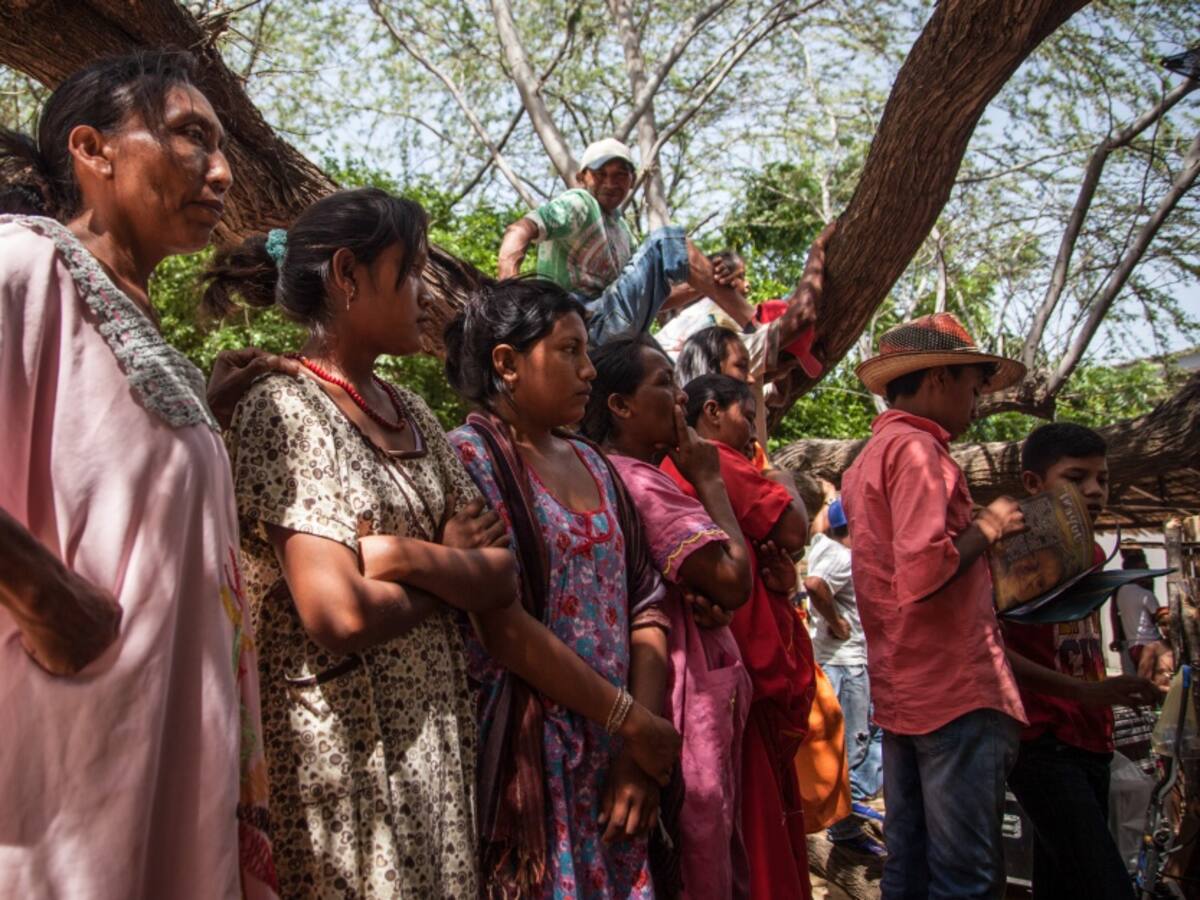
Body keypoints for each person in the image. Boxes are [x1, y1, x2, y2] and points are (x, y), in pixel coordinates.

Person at [0, 51, 278, 898]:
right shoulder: (21, 264)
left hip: (166, 759)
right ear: (93, 150)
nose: (222, 172)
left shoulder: (142, 327)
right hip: (68, 762)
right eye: (192, 136)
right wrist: (53, 601)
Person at [206, 188, 518, 897]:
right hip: (343, 768)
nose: (424, 291)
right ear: (347, 275)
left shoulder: (408, 412)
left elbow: (500, 577)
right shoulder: (283, 410)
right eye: (408, 270)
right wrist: (449, 573)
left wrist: (400, 559)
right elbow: (339, 613)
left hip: (430, 756)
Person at [443, 278, 682, 898]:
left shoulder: (596, 464)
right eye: (569, 351)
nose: (588, 372)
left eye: (587, 354)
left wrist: (641, 744)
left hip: (617, 756)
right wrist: (632, 721)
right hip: (536, 760)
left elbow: (646, 601)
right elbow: (501, 625)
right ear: (507, 364)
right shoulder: (471, 460)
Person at [840, 312, 1030, 899]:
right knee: (965, 876)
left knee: (910, 865)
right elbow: (925, 569)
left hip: (904, 693)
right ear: (940, 377)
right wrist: (990, 527)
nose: (976, 401)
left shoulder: (867, 460)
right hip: (953, 688)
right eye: (973, 387)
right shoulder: (919, 452)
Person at [581, 333, 755, 899]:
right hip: (682, 702)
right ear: (619, 405)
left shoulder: (603, 473)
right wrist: (707, 476)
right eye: (663, 383)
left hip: (672, 698)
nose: (680, 398)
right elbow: (732, 580)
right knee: (698, 859)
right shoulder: (640, 482)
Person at [664, 373, 816, 900]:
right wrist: (784, 479)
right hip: (740, 675)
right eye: (746, 415)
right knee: (754, 828)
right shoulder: (717, 463)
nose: (752, 429)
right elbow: (793, 530)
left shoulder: (670, 467)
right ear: (710, 412)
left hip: (714, 671)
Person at [1001, 423, 1161, 900]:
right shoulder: (1015, 553)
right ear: (1033, 484)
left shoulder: (1091, 550)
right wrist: (1087, 693)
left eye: (1102, 479)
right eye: (1076, 477)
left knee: (1063, 882)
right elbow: (987, 650)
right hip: (1043, 743)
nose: (1094, 491)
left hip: (1090, 739)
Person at [497, 138, 755, 344]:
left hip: (610, 324)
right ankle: (756, 325)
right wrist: (509, 295)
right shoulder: (579, 203)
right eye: (600, 174)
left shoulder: (621, 230)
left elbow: (651, 298)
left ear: (632, 181)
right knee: (668, 241)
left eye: (620, 175)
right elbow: (519, 231)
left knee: (669, 376)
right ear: (582, 178)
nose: (610, 183)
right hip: (576, 318)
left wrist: (705, 282)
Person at [803, 497, 886, 857]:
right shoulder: (842, 557)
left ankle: (843, 817)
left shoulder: (823, 546)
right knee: (855, 744)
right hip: (847, 663)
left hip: (833, 661)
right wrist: (838, 623)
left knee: (842, 744)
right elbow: (815, 584)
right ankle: (845, 825)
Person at [1112, 547, 1170, 678]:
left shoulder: (1121, 592)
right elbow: (1161, 617)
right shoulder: (1145, 594)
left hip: (1133, 645)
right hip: (1149, 642)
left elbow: (1115, 615)